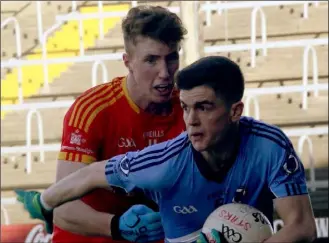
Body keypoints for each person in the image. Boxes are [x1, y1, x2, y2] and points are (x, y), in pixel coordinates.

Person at [18, 56, 317, 243]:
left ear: (236, 111)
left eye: (203, 107)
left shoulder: (270, 147)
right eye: (185, 108)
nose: (191, 121)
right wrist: (44, 203)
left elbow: (302, 227)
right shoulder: (166, 162)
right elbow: (93, 173)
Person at [15, 5, 187, 243]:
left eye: (171, 58)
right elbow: (63, 209)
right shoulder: (93, 110)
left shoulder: (190, 107)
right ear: (128, 62)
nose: (165, 72)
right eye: (151, 60)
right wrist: (118, 227)